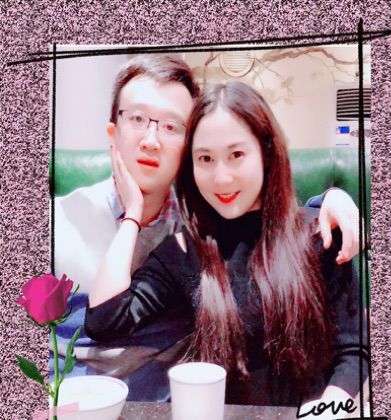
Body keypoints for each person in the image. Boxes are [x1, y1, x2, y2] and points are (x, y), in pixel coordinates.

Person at [54, 54, 360, 401]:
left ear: (266, 152)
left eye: (236, 155)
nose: (222, 177)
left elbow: (353, 350)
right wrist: (133, 215)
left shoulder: (320, 231)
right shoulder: (184, 249)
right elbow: (104, 321)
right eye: (205, 159)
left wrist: (330, 407)